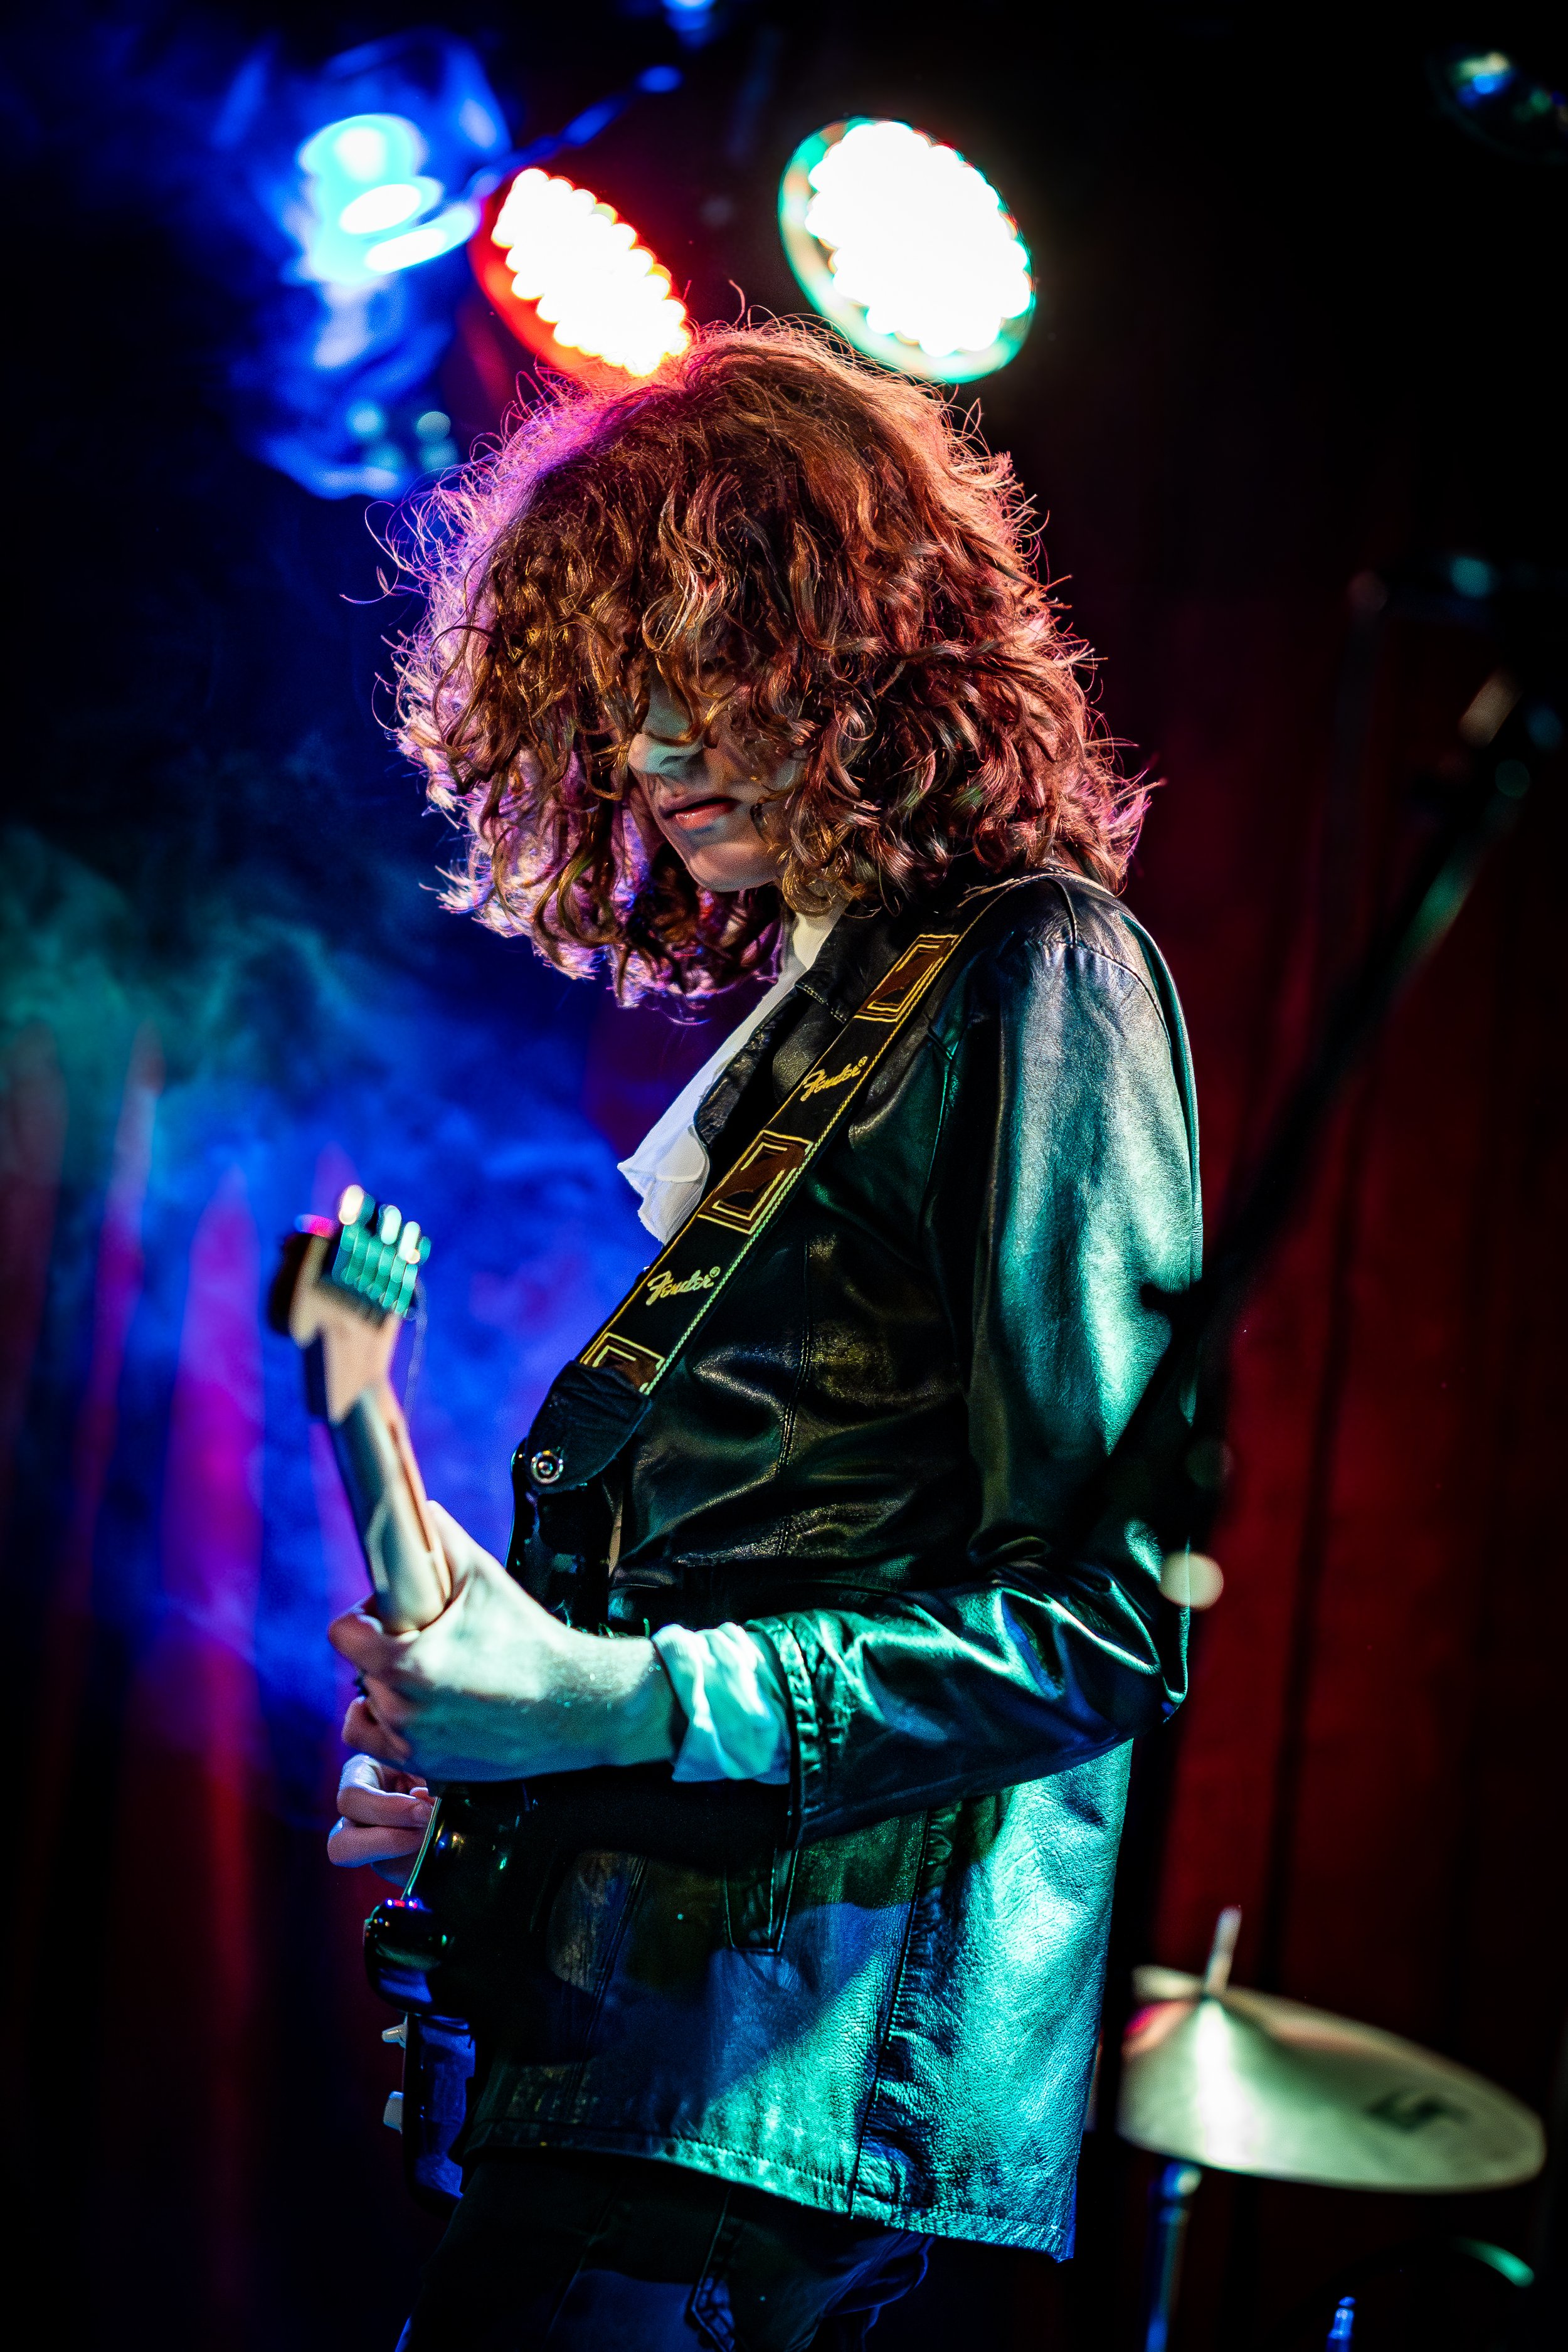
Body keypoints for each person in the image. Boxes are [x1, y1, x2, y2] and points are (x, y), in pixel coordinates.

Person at [327, 325, 1200, 2349]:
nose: (647, 751)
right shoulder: (821, 1038)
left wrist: (617, 1710)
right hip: (636, 2100)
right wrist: (500, 1758)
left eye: (696, 678)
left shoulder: (1034, 973)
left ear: (860, 640)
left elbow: (1106, 1614)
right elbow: (759, 1581)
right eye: (610, 702)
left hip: (778, 2140)